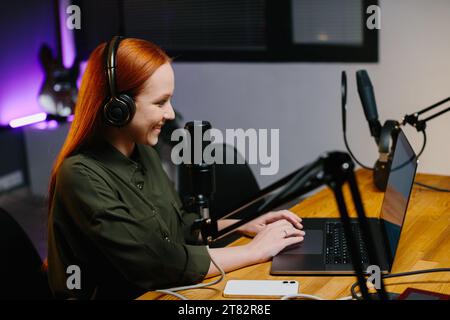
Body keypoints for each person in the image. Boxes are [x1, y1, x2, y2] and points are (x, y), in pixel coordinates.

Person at [47, 37, 305, 300]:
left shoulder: (144, 151)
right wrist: (253, 252)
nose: (170, 113)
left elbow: (177, 227)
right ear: (118, 108)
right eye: (160, 103)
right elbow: (152, 262)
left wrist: (240, 225)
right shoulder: (80, 175)